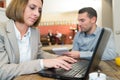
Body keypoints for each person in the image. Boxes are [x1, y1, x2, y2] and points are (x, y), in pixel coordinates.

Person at [0, 0, 77, 80]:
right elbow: (2, 71)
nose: (37, 14)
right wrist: (41, 63)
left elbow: (39, 53)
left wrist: (57, 58)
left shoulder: (35, 31)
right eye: (32, 7)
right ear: (18, 6)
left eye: (39, 10)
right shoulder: (2, 31)